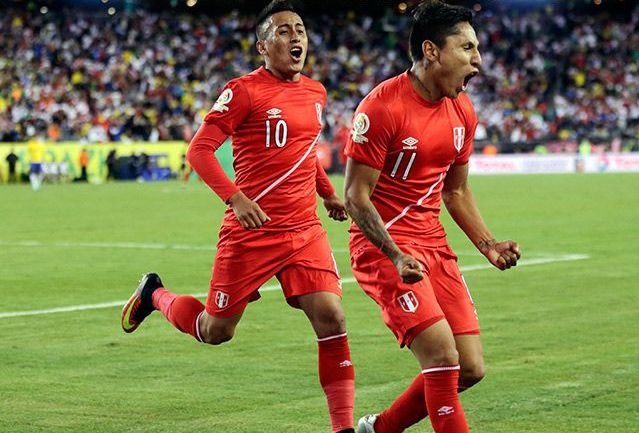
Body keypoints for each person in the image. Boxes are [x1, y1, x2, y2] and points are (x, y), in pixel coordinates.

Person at [120, 2, 355, 432]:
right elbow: (199, 150)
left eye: (299, 29)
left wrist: (328, 194)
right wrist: (235, 198)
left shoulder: (316, 93)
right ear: (263, 46)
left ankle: (341, 427)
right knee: (216, 330)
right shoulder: (244, 90)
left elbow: (305, 154)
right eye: (283, 31)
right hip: (253, 231)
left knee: (332, 318)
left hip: (304, 230)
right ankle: (155, 294)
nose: (295, 37)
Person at [343, 2, 521, 432]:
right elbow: (354, 196)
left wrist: (488, 244)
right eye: (467, 48)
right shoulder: (382, 107)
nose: (477, 59)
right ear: (432, 51)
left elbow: (455, 190)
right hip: (383, 249)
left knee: (471, 368)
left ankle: (378, 429)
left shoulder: (463, 111)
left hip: (433, 247)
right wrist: (395, 254)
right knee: (442, 357)